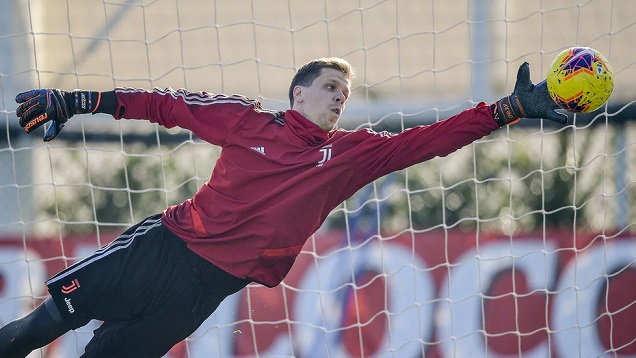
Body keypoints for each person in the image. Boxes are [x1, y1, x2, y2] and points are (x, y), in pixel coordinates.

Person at [0, 57, 566, 357]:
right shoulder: (245, 121)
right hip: (162, 250)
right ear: (297, 94)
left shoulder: (349, 156)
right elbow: (163, 105)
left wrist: (508, 108)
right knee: (32, 332)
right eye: (329, 88)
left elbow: (428, 140)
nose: (339, 99)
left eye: (344, 95)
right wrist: (75, 100)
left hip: (207, 289)